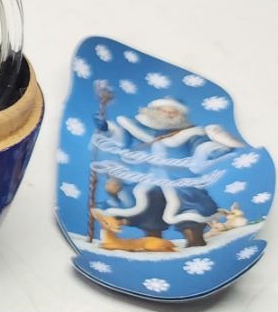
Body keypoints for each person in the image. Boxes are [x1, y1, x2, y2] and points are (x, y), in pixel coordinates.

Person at [90, 97, 243, 249]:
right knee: (145, 207)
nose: (169, 115)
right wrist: (106, 129)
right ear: (153, 111)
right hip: (144, 177)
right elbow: (119, 140)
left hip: (179, 179)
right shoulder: (135, 126)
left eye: (174, 112)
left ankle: (195, 241)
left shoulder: (190, 132)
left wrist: (218, 149)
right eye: (164, 111)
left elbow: (202, 147)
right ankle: (152, 241)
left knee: (190, 210)